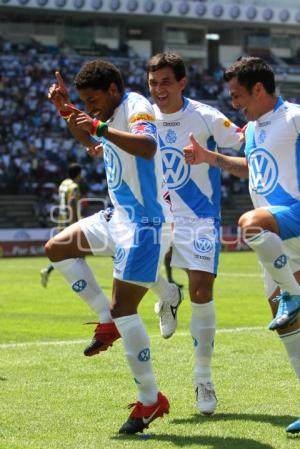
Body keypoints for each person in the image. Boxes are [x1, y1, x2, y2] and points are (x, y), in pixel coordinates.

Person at [46, 59, 178, 434]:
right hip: (118, 218)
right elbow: (91, 143)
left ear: (113, 90)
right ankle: (107, 320)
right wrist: (67, 113)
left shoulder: (136, 104)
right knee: (57, 247)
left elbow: (149, 146)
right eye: (84, 101)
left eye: (93, 100)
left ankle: (151, 402)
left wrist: (99, 125)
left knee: (125, 308)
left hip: (147, 223)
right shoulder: (104, 115)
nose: (90, 107)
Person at [184, 56, 300, 434]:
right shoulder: (251, 130)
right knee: (287, 326)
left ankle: (293, 294)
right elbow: (253, 167)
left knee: (248, 224)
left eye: (236, 95)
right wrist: (208, 157)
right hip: (276, 239)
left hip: (291, 217)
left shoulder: (295, 117)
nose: (233, 102)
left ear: (259, 89)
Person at [147, 52, 242, 415]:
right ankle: (167, 294)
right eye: (153, 83)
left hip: (199, 216)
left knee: (202, 291)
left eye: (166, 82)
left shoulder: (205, 116)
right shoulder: (143, 116)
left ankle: (204, 379)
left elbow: (243, 138)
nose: (159, 90)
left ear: (182, 83)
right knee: (126, 264)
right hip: (156, 212)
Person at [40, 163, 82, 287]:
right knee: (76, 249)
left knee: (74, 250)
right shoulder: (74, 186)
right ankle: (48, 270)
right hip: (70, 221)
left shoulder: (64, 184)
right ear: (78, 174)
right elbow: (72, 200)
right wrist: (74, 220)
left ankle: (78, 276)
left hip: (62, 219)